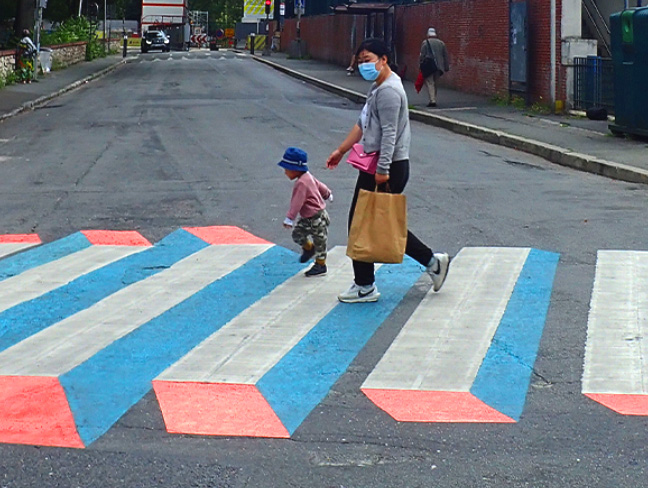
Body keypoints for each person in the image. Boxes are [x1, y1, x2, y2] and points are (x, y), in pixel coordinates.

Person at [326, 38, 450, 304]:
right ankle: (432, 262)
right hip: (380, 165)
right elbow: (363, 123)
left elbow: (390, 134)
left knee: (363, 222)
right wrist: (341, 150)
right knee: (378, 223)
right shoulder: (377, 87)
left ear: (383, 59)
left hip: (389, 166)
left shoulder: (389, 91)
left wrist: (382, 171)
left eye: (368, 59)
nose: (363, 65)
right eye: (360, 61)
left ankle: (365, 286)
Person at [279, 147, 333, 277]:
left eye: (287, 169)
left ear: (295, 169)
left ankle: (321, 264)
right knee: (298, 234)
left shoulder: (302, 183)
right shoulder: (306, 177)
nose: (285, 172)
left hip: (317, 217)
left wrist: (290, 218)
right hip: (308, 217)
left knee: (320, 240)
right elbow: (320, 185)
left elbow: (297, 202)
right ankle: (309, 249)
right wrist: (327, 193)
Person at [419, 28, 450, 108]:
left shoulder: (425, 43)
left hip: (429, 66)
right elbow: (445, 56)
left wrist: (421, 64)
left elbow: (422, 55)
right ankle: (434, 98)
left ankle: (432, 100)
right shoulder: (441, 43)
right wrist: (446, 66)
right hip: (439, 67)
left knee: (430, 82)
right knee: (435, 82)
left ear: (428, 35)